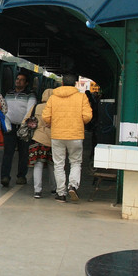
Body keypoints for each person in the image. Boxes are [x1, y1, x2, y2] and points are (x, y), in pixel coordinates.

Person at [42, 74, 93, 203]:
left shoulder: (53, 98)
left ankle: (61, 193)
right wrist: (76, 122)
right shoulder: (82, 97)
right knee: (75, 162)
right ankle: (73, 186)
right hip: (75, 135)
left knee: (59, 164)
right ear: (75, 83)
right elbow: (87, 116)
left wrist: (55, 122)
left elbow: (46, 117)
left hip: (57, 135)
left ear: (62, 82)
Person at [0, 72, 37, 187]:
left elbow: (30, 111)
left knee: (23, 153)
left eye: (21, 80)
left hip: (24, 129)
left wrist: (23, 125)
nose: (18, 81)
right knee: (8, 153)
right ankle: (5, 176)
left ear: (26, 83)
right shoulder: (8, 93)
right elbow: (4, 108)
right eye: (17, 79)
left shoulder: (30, 95)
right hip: (10, 127)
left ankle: (21, 176)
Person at [25, 88, 55, 198]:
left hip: (38, 138)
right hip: (53, 139)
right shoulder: (55, 108)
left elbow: (26, 120)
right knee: (53, 165)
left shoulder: (36, 107)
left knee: (38, 164)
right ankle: (54, 188)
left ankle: (37, 191)